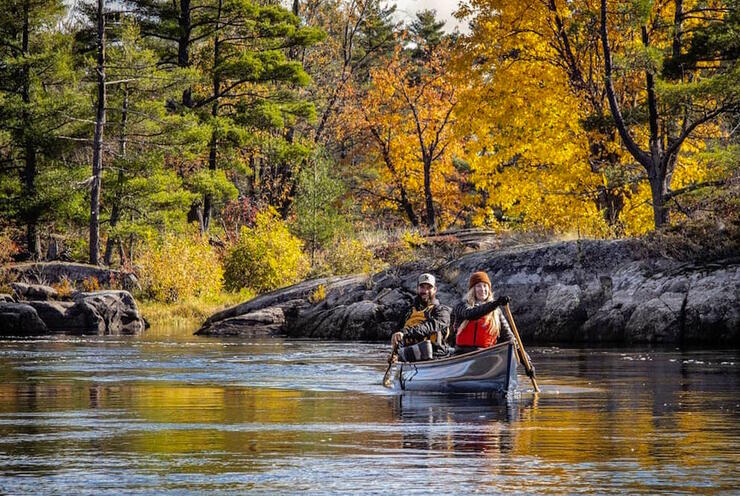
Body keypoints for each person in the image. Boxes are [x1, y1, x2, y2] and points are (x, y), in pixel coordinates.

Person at [390, 273, 451, 360]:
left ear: (435, 290)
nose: (425, 291)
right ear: (417, 288)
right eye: (422, 287)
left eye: (429, 288)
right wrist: (394, 353)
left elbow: (429, 327)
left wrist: (405, 332)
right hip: (409, 358)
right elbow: (397, 334)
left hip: (436, 357)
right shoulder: (407, 311)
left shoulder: (442, 311)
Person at [451, 271, 513, 355]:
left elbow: (509, 337)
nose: (483, 289)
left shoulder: (496, 311)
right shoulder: (461, 306)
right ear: (473, 289)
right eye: (478, 286)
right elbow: (470, 314)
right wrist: (496, 303)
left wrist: (527, 362)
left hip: (486, 354)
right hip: (462, 354)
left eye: (485, 286)